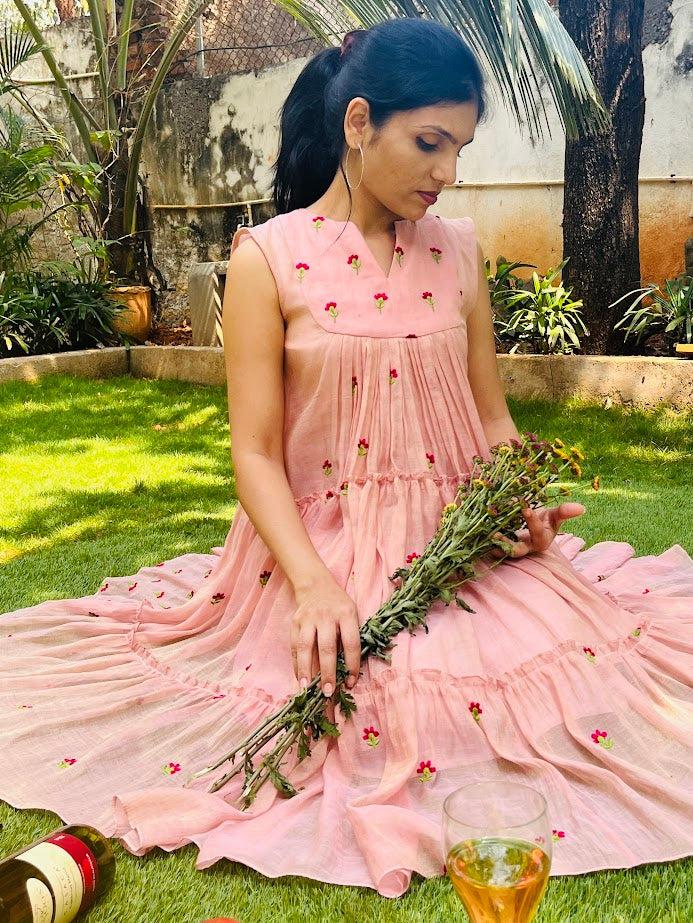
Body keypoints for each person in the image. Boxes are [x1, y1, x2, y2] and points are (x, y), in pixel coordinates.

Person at [1, 18, 691, 900]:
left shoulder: (460, 250)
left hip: (455, 543)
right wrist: (315, 584)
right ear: (359, 124)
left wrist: (516, 499)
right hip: (313, 548)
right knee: (369, 696)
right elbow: (252, 453)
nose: (446, 173)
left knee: (577, 681)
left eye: (458, 149)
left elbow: (489, 415)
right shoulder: (267, 259)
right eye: (429, 143)